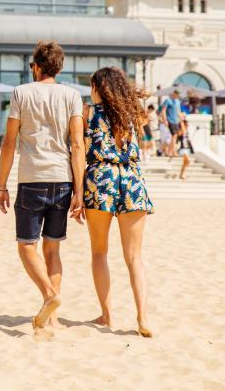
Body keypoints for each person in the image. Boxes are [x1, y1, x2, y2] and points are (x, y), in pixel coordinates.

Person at [0, 40, 85, 331]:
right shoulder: (72, 96)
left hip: (32, 178)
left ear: (35, 67)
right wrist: (80, 190)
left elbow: (10, 142)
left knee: (26, 246)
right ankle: (53, 316)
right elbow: (76, 144)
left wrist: (1, 185)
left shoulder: (21, 93)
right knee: (53, 249)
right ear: (58, 68)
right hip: (62, 180)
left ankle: (49, 296)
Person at [84, 67, 154, 338]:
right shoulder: (136, 115)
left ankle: (107, 314)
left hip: (101, 179)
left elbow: (79, 150)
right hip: (132, 181)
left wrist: (78, 193)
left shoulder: (88, 113)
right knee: (135, 257)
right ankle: (143, 317)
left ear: (98, 88)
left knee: (99, 252)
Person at [158, 89, 183, 157]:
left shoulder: (178, 102)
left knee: (174, 137)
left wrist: (181, 118)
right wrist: (165, 120)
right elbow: (163, 110)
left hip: (176, 121)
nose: (178, 95)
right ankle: (173, 152)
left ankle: (169, 151)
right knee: (174, 136)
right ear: (174, 94)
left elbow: (178, 111)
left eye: (178, 94)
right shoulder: (168, 100)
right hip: (170, 120)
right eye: (177, 94)